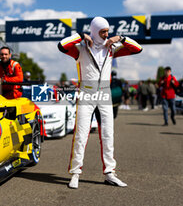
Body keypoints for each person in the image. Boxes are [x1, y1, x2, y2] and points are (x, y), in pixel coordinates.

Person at [58, 16, 142, 189]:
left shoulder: (111, 48)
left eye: (107, 31)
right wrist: (81, 35)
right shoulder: (80, 48)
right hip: (86, 92)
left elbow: (138, 49)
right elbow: (62, 45)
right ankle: (75, 173)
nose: (106, 35)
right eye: (103, 31)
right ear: (94, 31)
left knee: (108, 134)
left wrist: (121, 38)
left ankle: (110, 173)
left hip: (105, 92)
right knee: (81, 134)